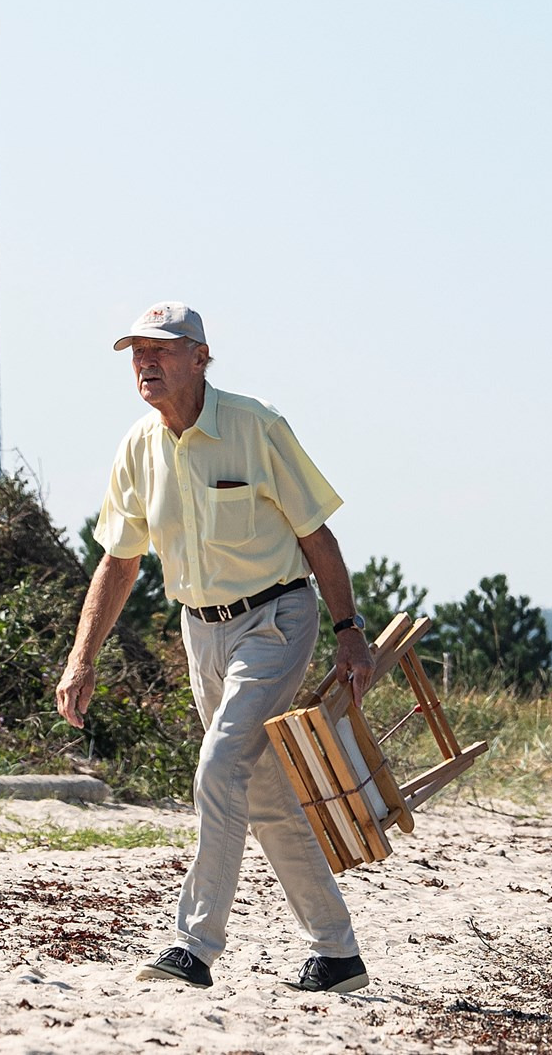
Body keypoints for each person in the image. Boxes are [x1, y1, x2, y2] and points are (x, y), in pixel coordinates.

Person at [56, 302, 379, 995]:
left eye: (163, 350)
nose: (147, 361)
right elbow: (119, 561)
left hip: (276, 620)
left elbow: (317, 535)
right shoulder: (137, 447)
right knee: (258, 793)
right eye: (137, 351)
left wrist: (351, 633)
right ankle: (338, 953)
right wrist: (82, 657)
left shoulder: (257, 425)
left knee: (216, 767)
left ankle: (193, 946)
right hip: (200, 631)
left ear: (201, 358)